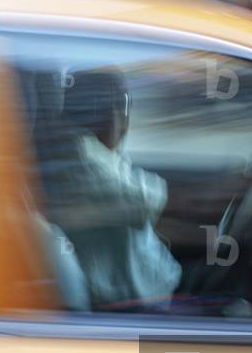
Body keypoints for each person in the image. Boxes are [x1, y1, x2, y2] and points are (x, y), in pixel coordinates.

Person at [44, 68, 180, 310]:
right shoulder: (79, 156)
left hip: (146, 297)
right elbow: (145, 201)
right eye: (120, 109)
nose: (125, 122)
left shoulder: (98, 153)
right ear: (107, 114)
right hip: (133, 308)